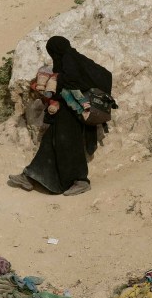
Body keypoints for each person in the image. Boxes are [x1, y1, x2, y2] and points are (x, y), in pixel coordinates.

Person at [8, 36, 111, 196]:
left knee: (69, 144)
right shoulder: (74, 60)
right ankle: (29, 177)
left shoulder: (72, 63)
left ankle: (80, 181)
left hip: (75, 114)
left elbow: (73, 83)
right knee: (50, 142)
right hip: (67, 113)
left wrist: (55, 86)